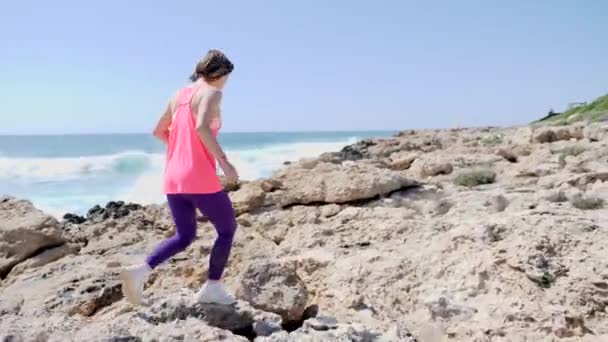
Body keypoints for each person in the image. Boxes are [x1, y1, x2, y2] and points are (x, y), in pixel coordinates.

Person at [120, 49, 239, 305]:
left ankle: (139, 272)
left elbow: (159, 131)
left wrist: (182, 150)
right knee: (227, 229)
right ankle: (213, 287)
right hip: (199, 177)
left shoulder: (178, 95)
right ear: (220, 73)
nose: (227, 83)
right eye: (227, 77)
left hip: (173, 178)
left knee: (185, 235)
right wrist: (224, 163)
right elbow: (202, 127)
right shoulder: (212, 93)